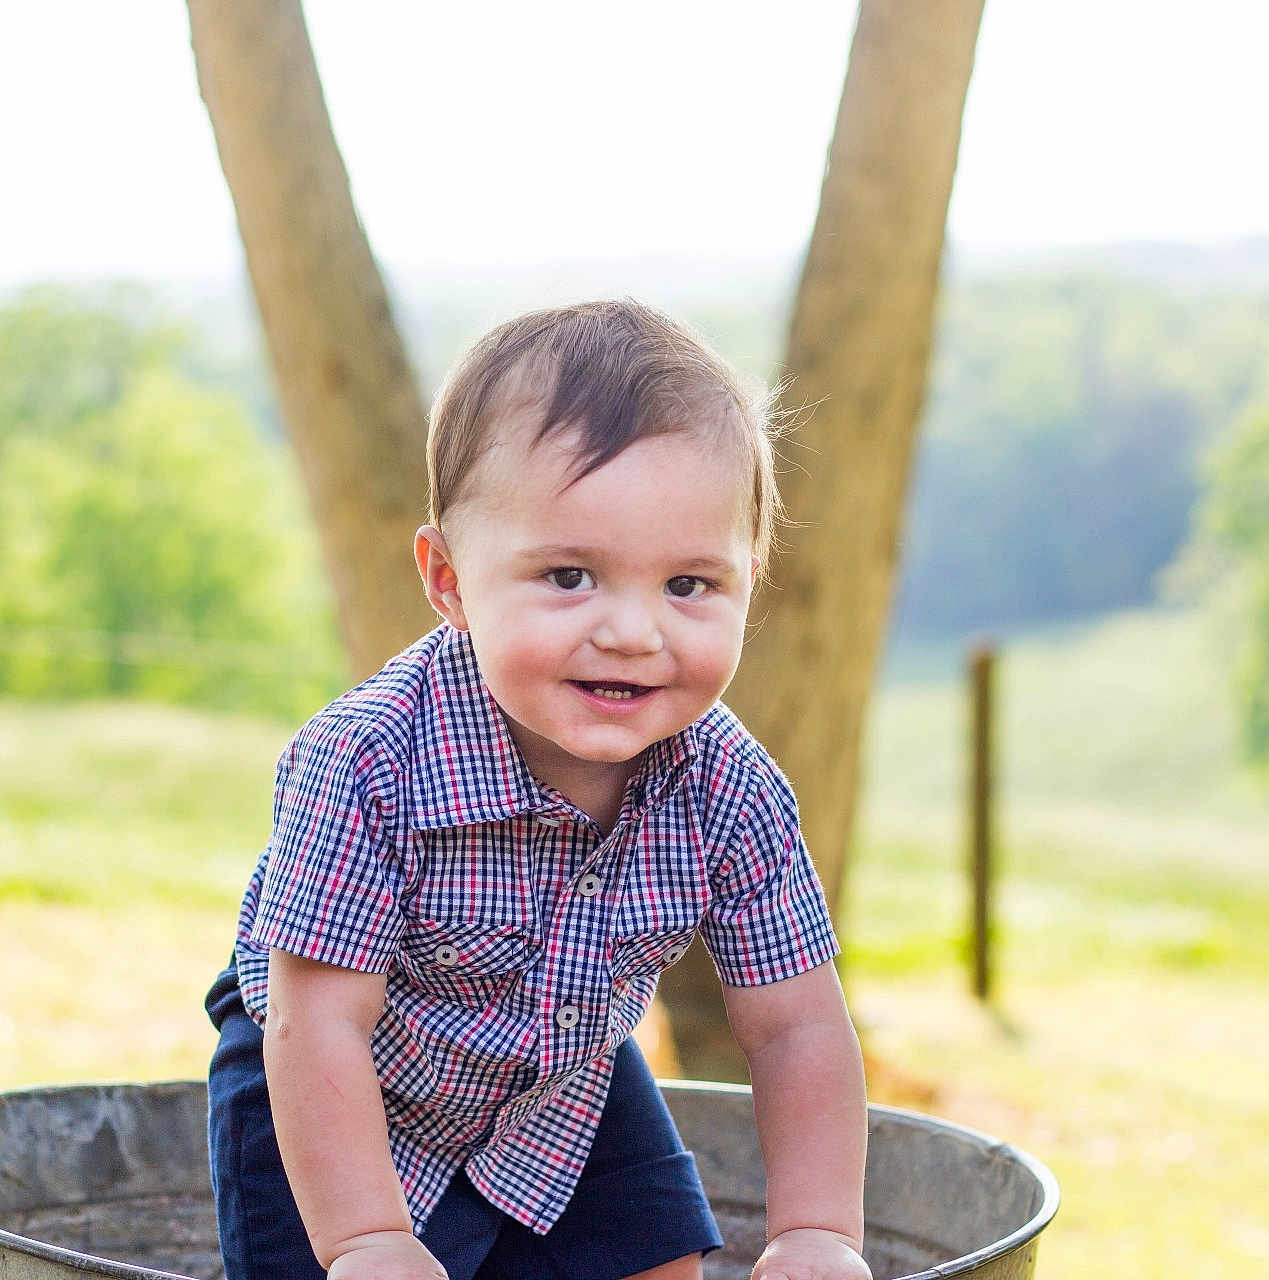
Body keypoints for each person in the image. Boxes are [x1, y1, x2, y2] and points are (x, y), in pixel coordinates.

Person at [205, 299, 871, 1280]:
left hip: (561, 1076)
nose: (633, 632)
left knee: (660, 1258)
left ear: (750, 579)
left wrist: (817, 1229)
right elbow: (321, 1023)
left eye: (688, 584)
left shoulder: (731, 788)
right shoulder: (367, 761)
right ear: (448, 580)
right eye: (569, 576)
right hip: (328, 1079)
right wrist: (368, 1239)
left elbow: (796, 1025)